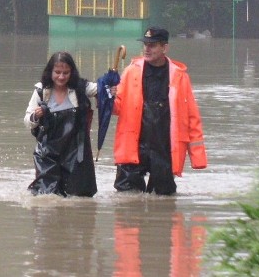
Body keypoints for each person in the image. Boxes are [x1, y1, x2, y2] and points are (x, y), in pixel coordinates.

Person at [112, 26, 207, 195]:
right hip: (134, 146)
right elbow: (117, 107)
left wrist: (197, 156)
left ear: (165, 48)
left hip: (164, 147)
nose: (147, 49)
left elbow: (192, 116)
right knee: (127, 200)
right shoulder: (130, 72)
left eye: (153, 45)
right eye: (145, 44)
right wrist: (105, 97)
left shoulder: (179, 76)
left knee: (164, 199)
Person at [24, 52, 100, 197]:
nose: (61, 77)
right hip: (47, 153)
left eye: (66, 73)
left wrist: (111, 88)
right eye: (57, 72)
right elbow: (27, 121)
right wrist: (36, 116)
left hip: (76, 152)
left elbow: (103, 88)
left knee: (79, 196)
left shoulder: (81, 88)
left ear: (72, 72)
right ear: (50, 72)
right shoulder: (41, 91)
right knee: (46, 196)